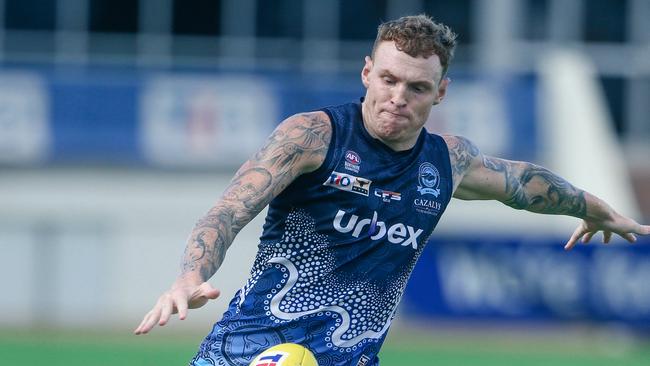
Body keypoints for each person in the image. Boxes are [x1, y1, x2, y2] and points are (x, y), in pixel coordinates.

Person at [134, 14, 650, 366]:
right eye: (388, 79)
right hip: (249, 349)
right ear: (367, 72)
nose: (397, 97)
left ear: (440, 92)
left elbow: (523, 183)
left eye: (418, 87)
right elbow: (227, 212)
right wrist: (187, 277)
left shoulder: (446, 161)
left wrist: (597, 208)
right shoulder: (313, 136)